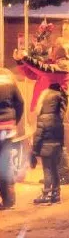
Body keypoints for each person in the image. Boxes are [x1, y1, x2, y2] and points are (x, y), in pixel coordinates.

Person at [14, 45, 69, 185]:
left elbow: (44, 70)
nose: (50, 51)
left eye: (53, 49)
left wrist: (25, 58)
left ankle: (63, 175)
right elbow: (33, 73)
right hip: (45, 107)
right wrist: (20, 61)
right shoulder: (55, 64)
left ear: (60, 51)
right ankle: (57, 176)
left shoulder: (63, 66)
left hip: (52, 108)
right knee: (51, 142)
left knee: (54, 143)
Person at [32, 82, 67, 205]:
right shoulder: (58, 119)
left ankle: (46, 194)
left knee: (47, 170)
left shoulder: (43, 118)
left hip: (45, 148)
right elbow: (62, 136)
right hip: (57, 147)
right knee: (55, 170)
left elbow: (38, 137)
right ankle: (56, 194)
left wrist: (34, 152)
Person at [0, 68, 24, 209]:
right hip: (7, 128)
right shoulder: (9, 80)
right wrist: (13, 120)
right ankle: (9, 200)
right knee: (5, 163)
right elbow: (20, 103)